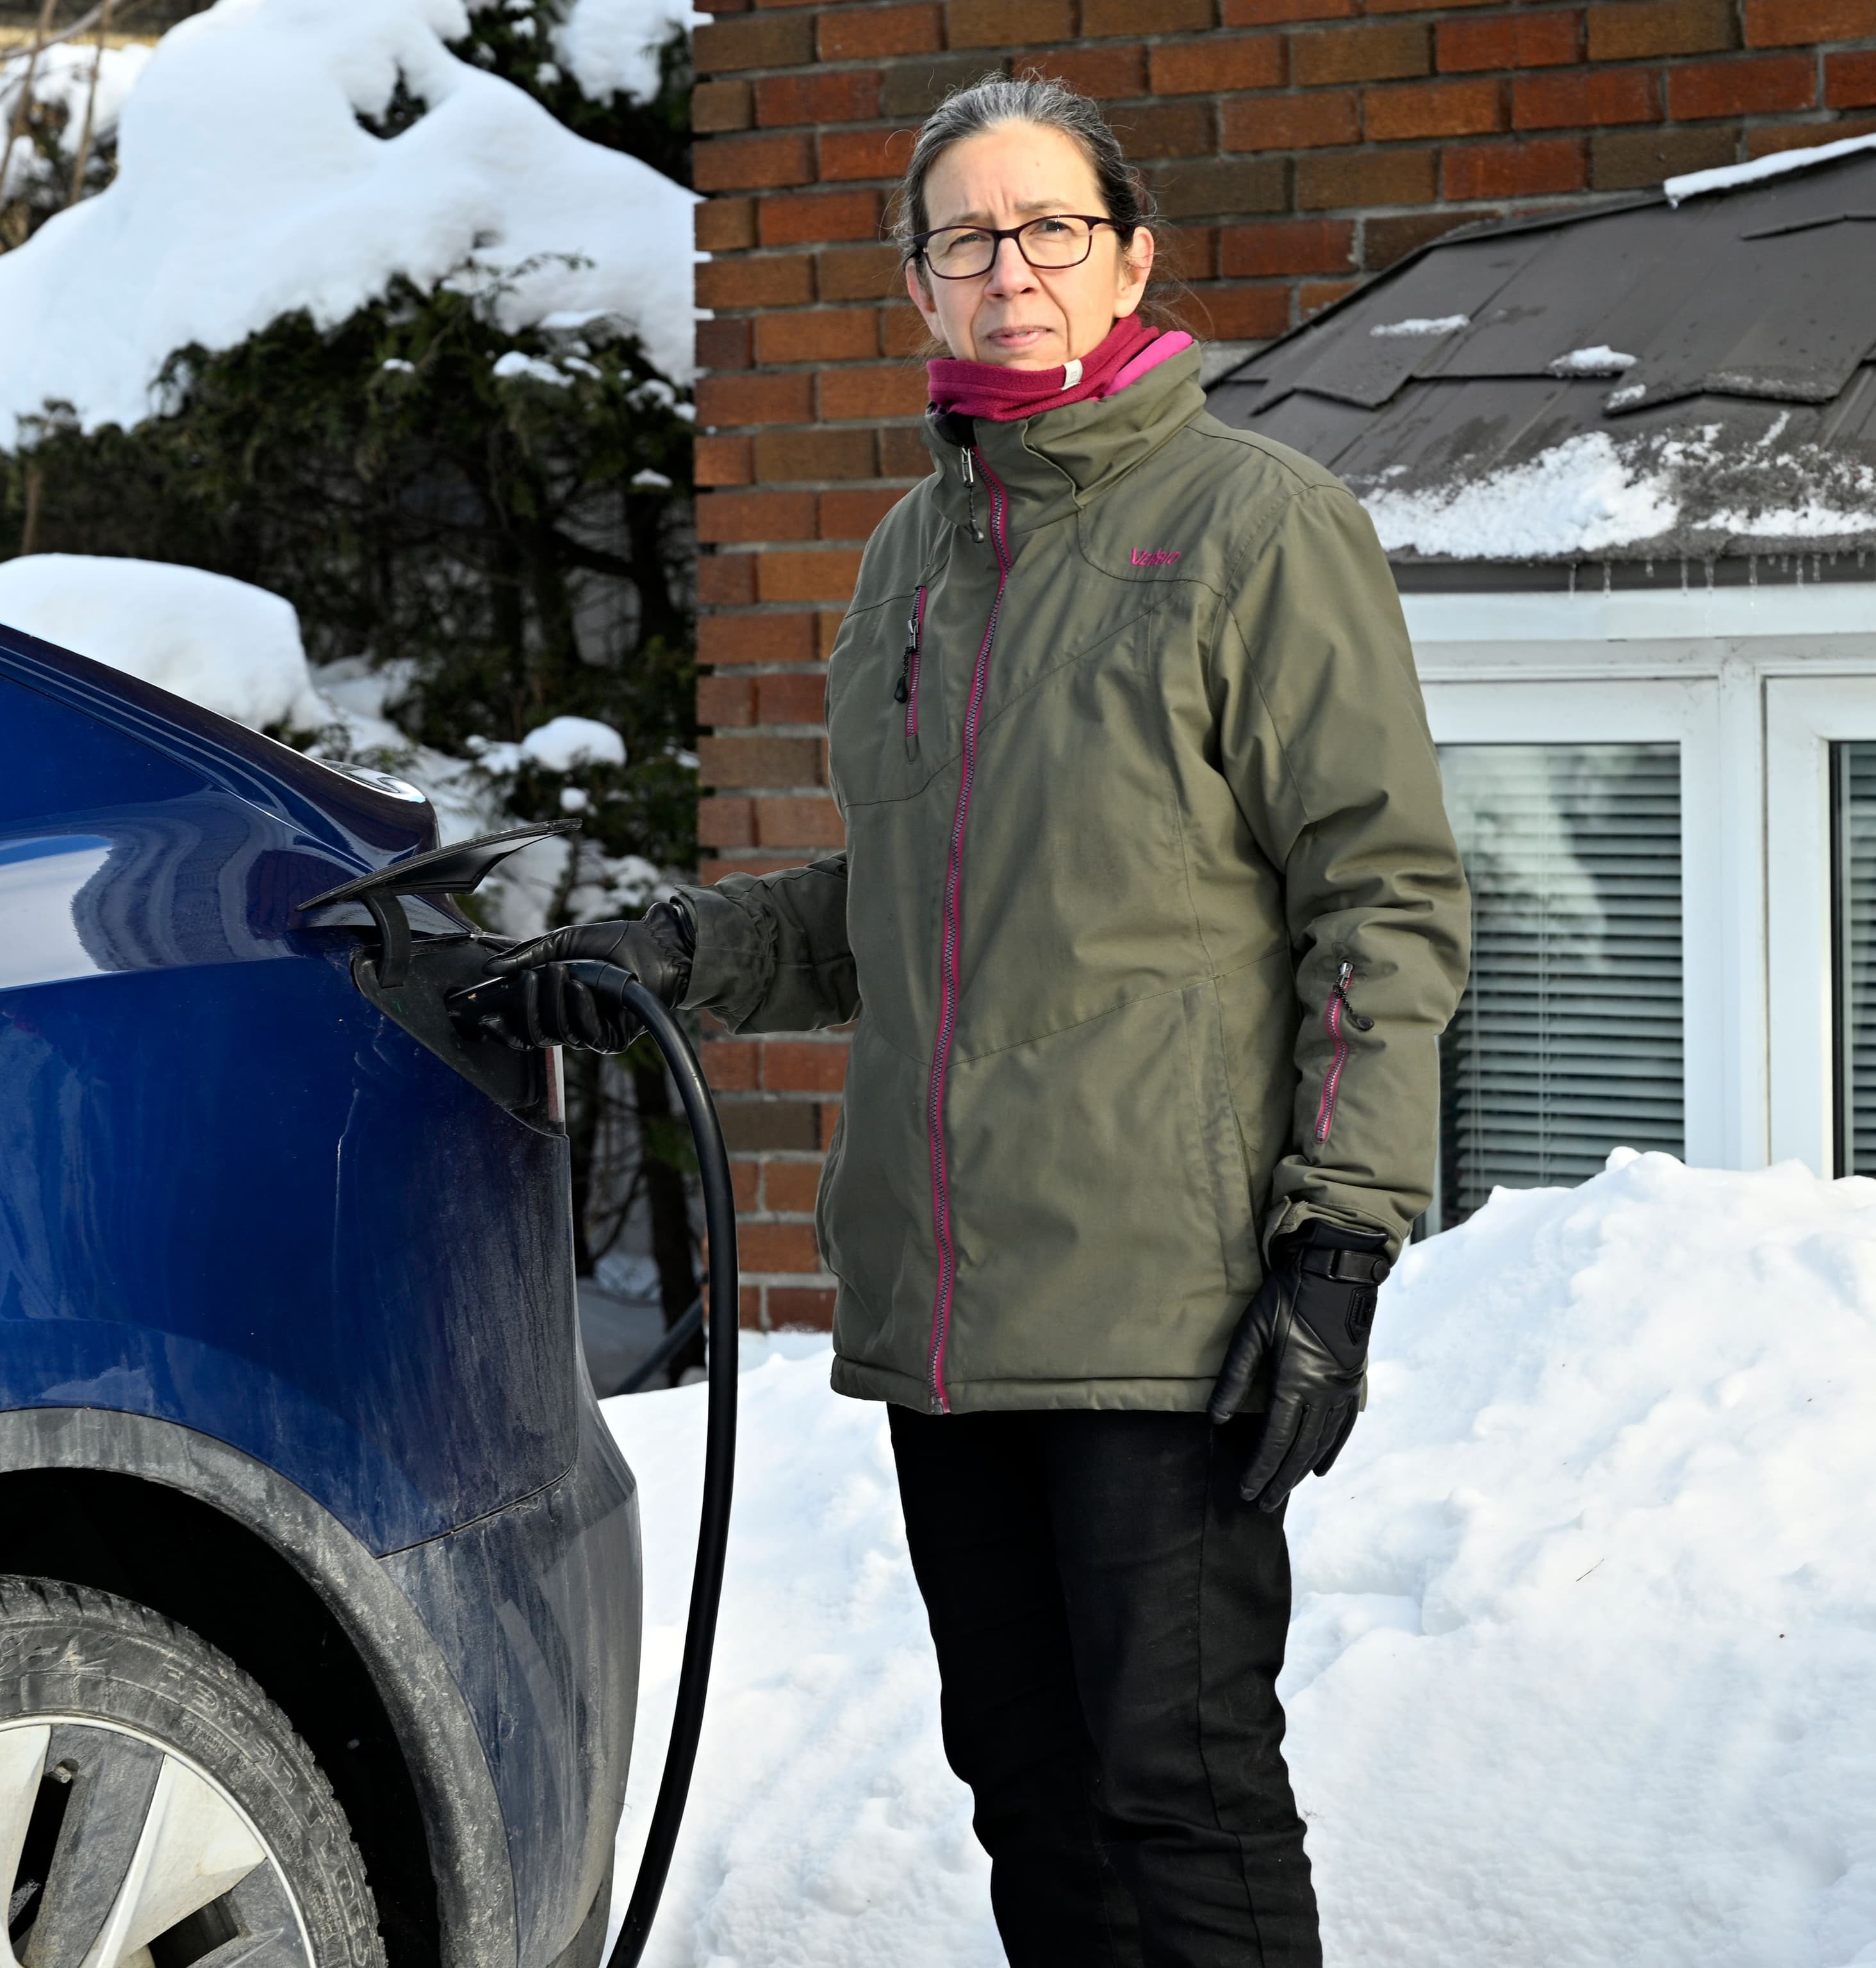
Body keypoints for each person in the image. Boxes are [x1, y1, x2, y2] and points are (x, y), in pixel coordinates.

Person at [482, 73, 1468, 1968]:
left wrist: (1340, 1237)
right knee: (1021, 1783)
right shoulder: (910, 558)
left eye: (1050, 229)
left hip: (1167, 1304)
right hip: (950, 1309)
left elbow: (1385, 897)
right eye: (966, 237)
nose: (1009, 267)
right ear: (917, 283)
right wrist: (669, 953)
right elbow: (901, 914)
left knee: (1174, 1787)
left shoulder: (1259, 527)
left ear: (1132, 258)